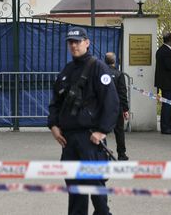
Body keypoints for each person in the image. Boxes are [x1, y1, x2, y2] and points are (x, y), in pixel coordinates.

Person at [48, 27, 119, 215]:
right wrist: (53, 125)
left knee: (96, 188)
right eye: (70, 42)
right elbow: (55, 102)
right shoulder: (67, 70)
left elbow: (111, 102)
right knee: (75, 189)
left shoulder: (98, 67)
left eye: (77, 42)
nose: (73, 45)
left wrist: (102, 131)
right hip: (69, 140)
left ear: (86, 43)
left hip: (90, 139)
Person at [154, 32, 171, 135]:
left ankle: (169, 126)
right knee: (167, 106)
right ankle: (165, 128)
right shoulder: (165, 51)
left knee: (169, 105)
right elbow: (169, 66)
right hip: (167, 83)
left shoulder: (163, 50)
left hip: (167, 83)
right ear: (170, 40)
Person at [104, 52, 129, 160]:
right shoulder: (119, 74)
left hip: (103, 107)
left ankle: (103, 152)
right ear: (114, 61)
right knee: (119, 131)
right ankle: (121, 154)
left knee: (102, 130)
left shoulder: (101, 74)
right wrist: (125, 109)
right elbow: (122, 93)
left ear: (105, 61)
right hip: (116, 107)